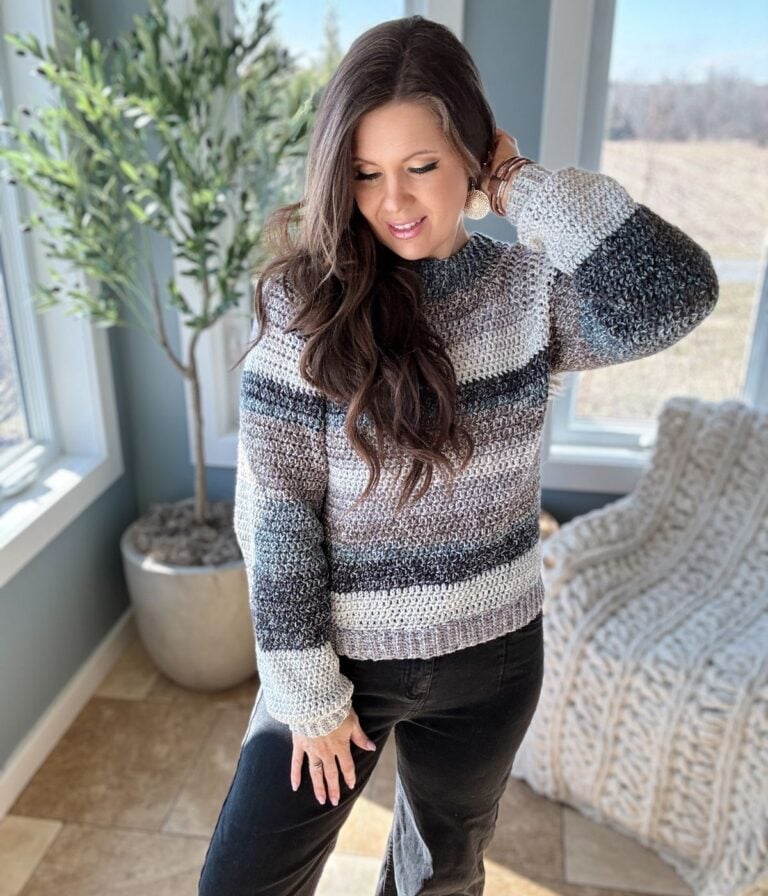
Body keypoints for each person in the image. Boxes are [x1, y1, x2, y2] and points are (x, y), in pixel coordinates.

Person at [198, 14, 718, 896]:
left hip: (496, 659)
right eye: (364, 174)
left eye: (422, 167)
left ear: (470, 159)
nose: (393, 202)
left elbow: (676, 293)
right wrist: (311, 694)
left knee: (441, 880)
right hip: (343, 664)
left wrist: (520, 182)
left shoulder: (527, 296)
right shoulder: (305, 309)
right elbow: (277, 505)